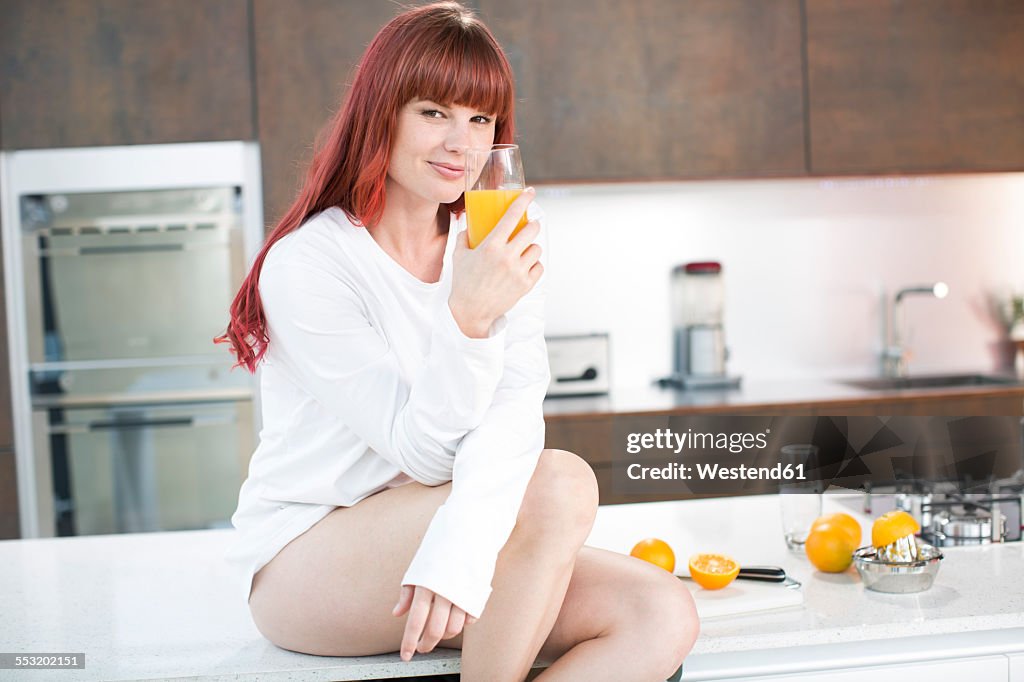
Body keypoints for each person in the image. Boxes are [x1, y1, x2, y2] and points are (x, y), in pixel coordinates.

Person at [216, 3, 698, 680]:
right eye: (434, 112)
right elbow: (419, 449)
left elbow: (513, 416)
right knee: (560, 484)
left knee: (659, 612)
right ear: (382, 111)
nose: (461, 143)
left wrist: (460, 554)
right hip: (310, 558)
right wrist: (468, 320)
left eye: (480, 120)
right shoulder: (309, 264)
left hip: (447, 524)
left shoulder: (493, 241)